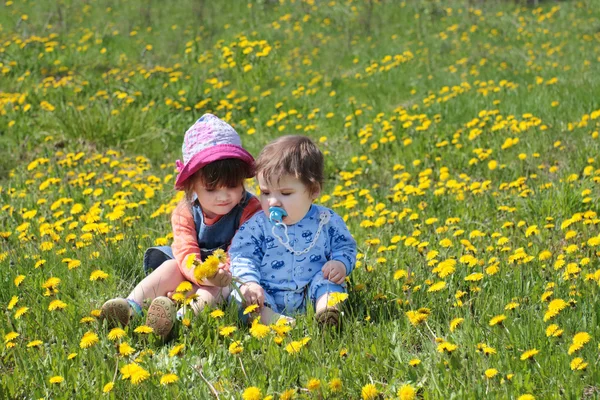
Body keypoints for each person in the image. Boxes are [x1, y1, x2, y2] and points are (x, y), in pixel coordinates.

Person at [101, 114, 261, 338]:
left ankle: (177, 322)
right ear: (192, 185)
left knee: (211, 291)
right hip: (191, 268)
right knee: (169, 267)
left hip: (228, 277)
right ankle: (131, 307)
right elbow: (186, 252)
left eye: (233, 185)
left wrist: (213, 278)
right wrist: (201, 275)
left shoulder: (250, 209)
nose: (224, 196)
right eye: (212, 188)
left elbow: (243, 253)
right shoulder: (185, 211)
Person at [229, 135, 357, 327]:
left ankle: (326, 311)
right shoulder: (257, 226)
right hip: (266, 293)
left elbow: (345, 246)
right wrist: (250, 282)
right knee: (240, 298)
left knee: (328, 281)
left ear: (313, 190)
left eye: (285, 193)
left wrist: (340, 263)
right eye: (265, 193)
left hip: (310, 291)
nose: (273, 202)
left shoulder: (326, 221)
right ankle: (273, 320)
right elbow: (242, 256)